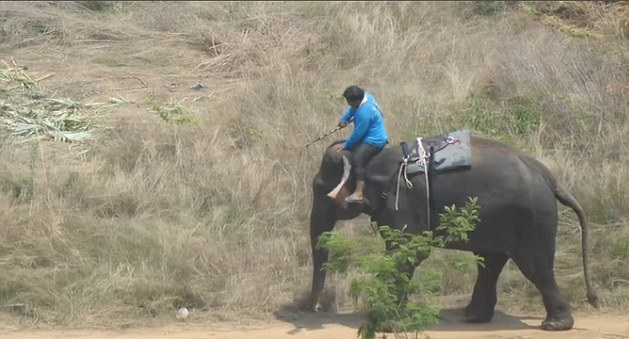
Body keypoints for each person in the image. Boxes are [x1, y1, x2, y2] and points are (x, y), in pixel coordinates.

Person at [332, 85, 389, 203]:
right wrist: (344, 119)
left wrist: (346, 145)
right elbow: (352, 109)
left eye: (349, 102)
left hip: (374, 140)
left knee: (357, 159)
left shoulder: (364, 112)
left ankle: (359, 192)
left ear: (356, 100)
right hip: (369, 135)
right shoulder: (366, 97)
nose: (348, 104)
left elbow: (358, 133)